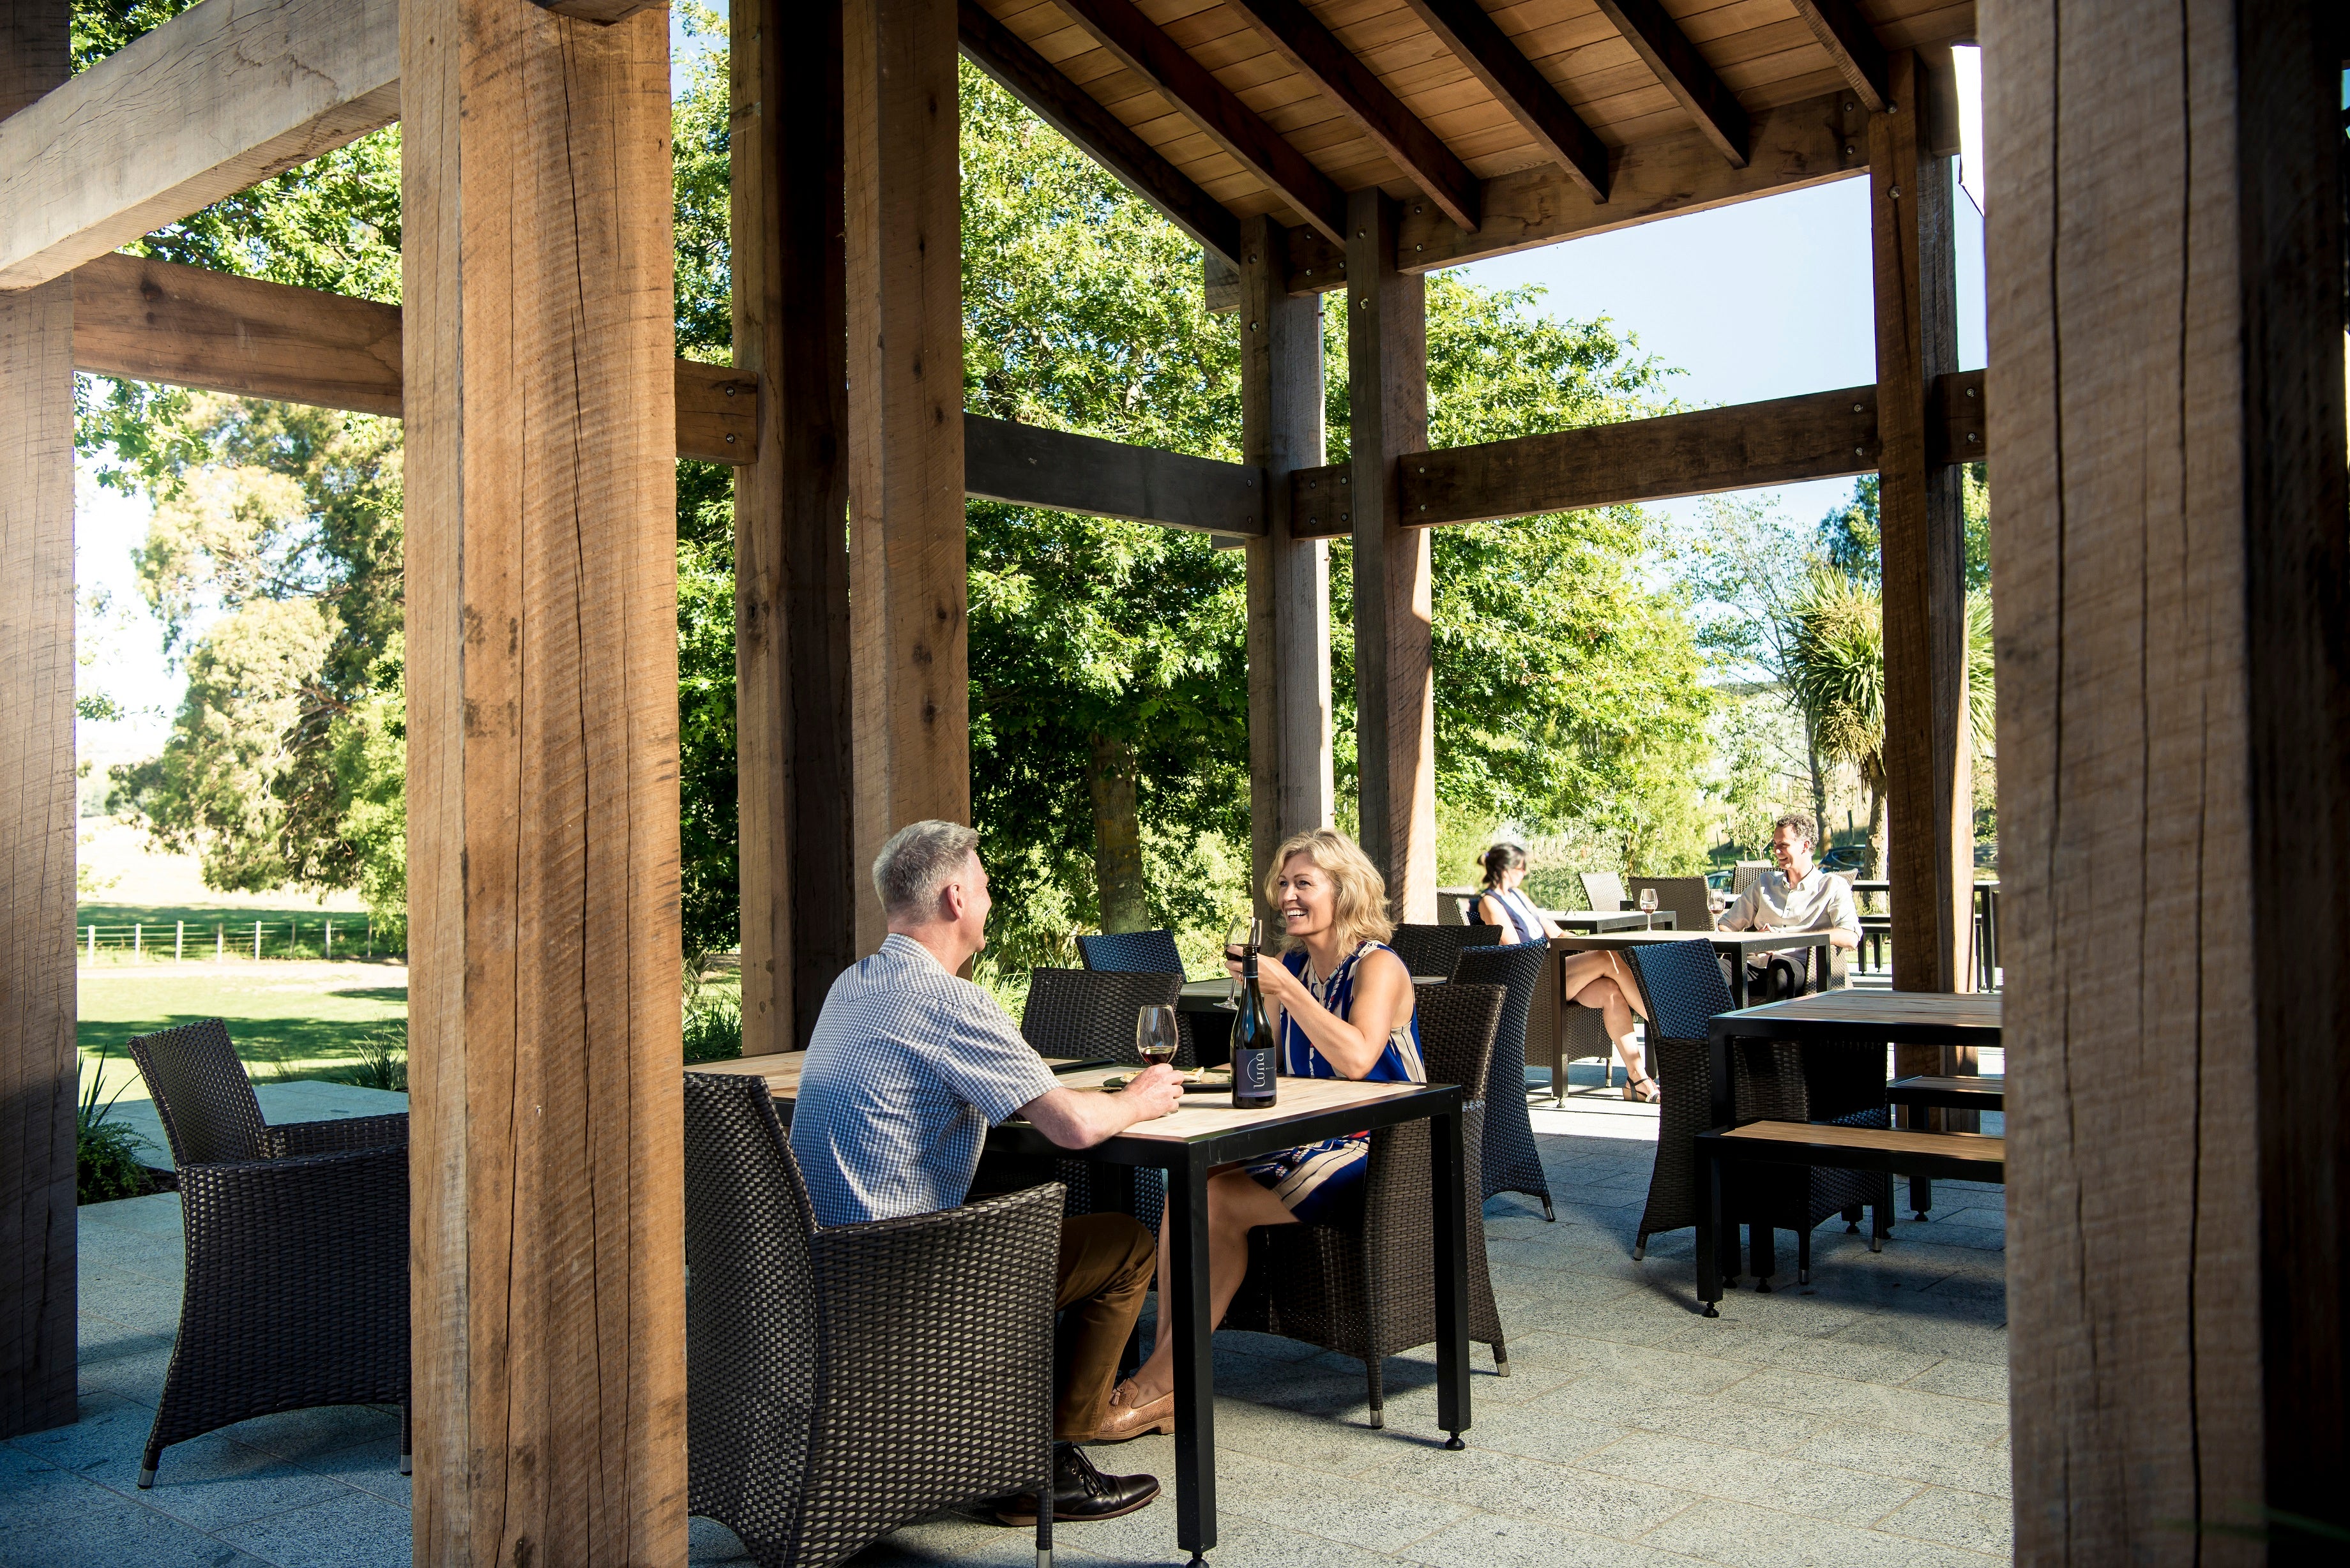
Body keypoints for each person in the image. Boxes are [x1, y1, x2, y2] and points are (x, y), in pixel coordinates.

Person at [789, 820, 1187, 1527]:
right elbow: (1073, 1126)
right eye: (982, 885)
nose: (989, 897)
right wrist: (1140, 1096)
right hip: (898, 1274)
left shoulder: (850, 985)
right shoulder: (951, 1001)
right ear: (952, 897)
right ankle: (1046, 1462)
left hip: (818, 1266)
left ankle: (993, 1437)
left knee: (1022, 1200)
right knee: (1125, 1243)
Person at [1098, 829, 1422, 1432]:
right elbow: (1263, 1061)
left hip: (1379, 1151)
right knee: (1190, 1185)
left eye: (1304, 883)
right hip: (1307, 1138)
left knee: (1216, 1198)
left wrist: (1284, 989)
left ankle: (1159, 1382)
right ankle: (1171, 1375)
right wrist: (1187, 1074)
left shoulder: (1379, 966)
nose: (1288, 896)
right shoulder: (1296, 966)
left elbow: (1356, 1059)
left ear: (1343, 890)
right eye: (1283, 883)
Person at [1717, 811, 1861, 991]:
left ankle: (1772, 1021)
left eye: (1784, 845)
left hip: (1801, 968)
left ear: (1804, 846)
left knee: (1781, 971)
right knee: (1709, 971)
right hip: (1755, 966)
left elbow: (1850, 937)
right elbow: (1726, 925)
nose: (1777, 851)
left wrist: (1788, 940)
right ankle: (1719, 1021)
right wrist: (1753, 940)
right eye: (1775, 844)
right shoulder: (1764, 884)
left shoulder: (1832, 886)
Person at [1473, 842, 1564, 944]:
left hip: (1549, 955)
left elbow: (1557, 934)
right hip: (1531, 959)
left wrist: (1582, 943)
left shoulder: (1517, 894)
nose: (1525, 873)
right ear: (1506, 871)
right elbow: (1515, 950)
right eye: (1521, 868)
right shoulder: (1491, 902)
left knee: (1585, 952)